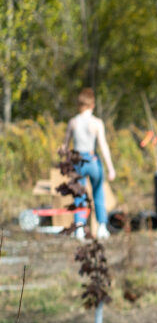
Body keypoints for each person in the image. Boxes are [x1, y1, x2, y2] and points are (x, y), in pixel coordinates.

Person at [61, 87, 116, 240]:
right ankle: (102, 227)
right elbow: (103, 146)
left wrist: (65, 164)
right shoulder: (97, 123)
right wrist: (111, 168)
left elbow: (65, 147)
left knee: (79, 195)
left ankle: (79, 228)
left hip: (78, 162)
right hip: (93, 161)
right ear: (92, 105)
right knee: (99, 193)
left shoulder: (73, 122)